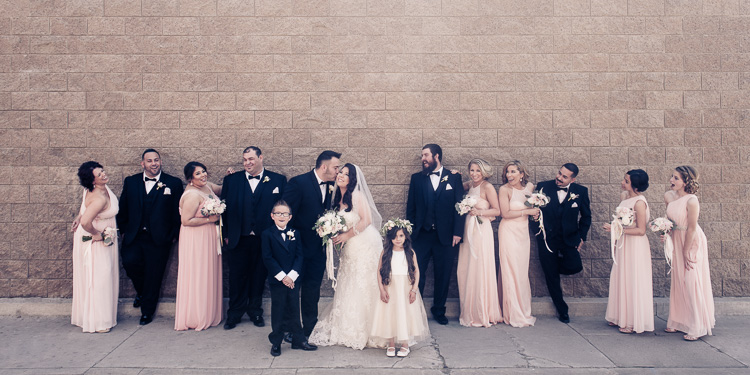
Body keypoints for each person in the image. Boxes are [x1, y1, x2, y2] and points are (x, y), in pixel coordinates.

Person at [309, 163, 383, 350]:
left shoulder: (357, 195)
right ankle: (348, 324)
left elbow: (366, 220)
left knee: (363, 282)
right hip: (350, 246)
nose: (341, 175)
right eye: (340, 172)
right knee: (350, 281)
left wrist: (346, 235)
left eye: (346, 174)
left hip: (364, 243)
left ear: (352, 180)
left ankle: (369, 328)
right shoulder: (337, 196)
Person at [221, 146, 286, 330]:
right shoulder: (231, 180)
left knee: (259, 277)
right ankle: (234, 314)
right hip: (237, 238)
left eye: (251, 159)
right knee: (236, 277)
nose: (247, 163)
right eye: (244, 160)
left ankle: (255, 312)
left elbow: (282, 209)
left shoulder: (278, 180)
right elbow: (224, 210)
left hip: (264, 239)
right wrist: (226, 235)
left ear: (261, 158)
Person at [116, 149, 184, 325]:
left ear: (160, 161)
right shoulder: (131, 182)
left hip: (160, 239)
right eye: (149, 161)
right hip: (134, 236)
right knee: (129, 263)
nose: (154, 163)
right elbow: (123, 208)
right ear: (143, 164)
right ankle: (142, 293)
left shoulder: (173, 183)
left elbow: (178, 212)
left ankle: (147, 311)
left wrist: (173, 235)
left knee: (154, 275)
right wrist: (123, 229)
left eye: (156, 160)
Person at [283, 150, 341, 337]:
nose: (337, 171)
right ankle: (291, 329)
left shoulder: (334, 185)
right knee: (293, 290)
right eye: (335, 167)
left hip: (318, 249)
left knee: (312, 289)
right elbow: (286, 215)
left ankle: (309, 328)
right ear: (324, 167)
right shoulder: (298, 183)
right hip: (297, 249)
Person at [406, 144, 464, 325]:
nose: (423, 159)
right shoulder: (416, 179)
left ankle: (439, 310)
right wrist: (410, 232)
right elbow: (411, 208)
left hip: (446, 236)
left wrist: (457, 232)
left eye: (425, 155)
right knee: (417, 274)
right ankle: (416, 312)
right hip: (421, 236)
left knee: (443, 274)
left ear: (436, 156)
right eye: (422, 155)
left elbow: (459, 207)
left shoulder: (454, 178)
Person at [530, 163, 591, 324]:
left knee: (575, 266)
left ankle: (556, 266)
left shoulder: (581, 191)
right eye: (559, 173)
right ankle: (562, 310)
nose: (559, 177)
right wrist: (536, 229)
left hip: (569, 239)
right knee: (551, 276)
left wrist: (581, 237)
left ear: (573, 179)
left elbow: (586, 217)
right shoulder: (543, 187)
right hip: (546, 239)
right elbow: (533, 208)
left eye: (565, 176)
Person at [664, 166, 715, 341]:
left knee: (691, 280)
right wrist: (666, 234)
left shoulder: (692, 200)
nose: (672, 180)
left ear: (686, 181)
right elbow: (670, 223)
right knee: (678, 279)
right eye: (672, 177)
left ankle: (698, 325)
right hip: (676, 240)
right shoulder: (669, 197)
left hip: (691, 240)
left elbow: (692, 227)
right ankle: (678, 321)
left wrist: (686, 250)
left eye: (676, 178)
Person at [262, 201, 317, 356]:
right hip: (278, 279)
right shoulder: (267, 234)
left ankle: (298, 340)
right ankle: (276, 341)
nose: (281, 216)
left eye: (285, 213)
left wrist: (292, 276)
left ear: (290, 217)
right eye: (278, 213)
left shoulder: (295, 233)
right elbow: (267, 258)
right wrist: (282, 277)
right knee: (278, 309)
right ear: (272, 216)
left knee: (294, 308)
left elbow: (300, 255)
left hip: (293, 279)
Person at [603, 169, 654, 334]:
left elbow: (641, 230)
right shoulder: (624, 198)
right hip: (624, 244)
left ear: (634, 185)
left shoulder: (640, 203)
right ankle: (620, 316)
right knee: (621, 277)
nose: (622, 183)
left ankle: (632, 321)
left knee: (633, 278)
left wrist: (616, 229)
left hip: (636, 245)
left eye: (626, 181)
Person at [71, 161, 119, 333]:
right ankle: (99, 321)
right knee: (100, 278)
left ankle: (94, 315)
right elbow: (86, 222)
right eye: (99, 175)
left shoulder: (95, 190)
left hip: (101, 235)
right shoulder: (98, 198)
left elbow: (84, 208)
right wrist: (97, 235)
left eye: (103, 171)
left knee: (99, 276)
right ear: (92, 181)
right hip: (95, 240)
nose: (104, 175)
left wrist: (79, 215)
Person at [174, 162, 223, 331]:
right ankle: (195, 316)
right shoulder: (192, 195)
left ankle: (208, 313)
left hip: (208, 236)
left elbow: (221, 189)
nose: (203, 175)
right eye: (198, 174)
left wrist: (231, 176)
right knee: (198, 273)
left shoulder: (207, 186)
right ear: (190, 179)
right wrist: (210, 219)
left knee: (208, 272)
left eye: (203, 171)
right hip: (196, 237)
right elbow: (186, 221)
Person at [370, 220, 430, 357]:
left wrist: (414, 289)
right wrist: (382, 289)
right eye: (395, 236)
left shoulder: (410, 252)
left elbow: (417, 271)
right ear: (390, 238)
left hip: (405, 288)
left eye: (401, 236)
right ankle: (391, 344)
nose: (398, 239)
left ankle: (405, 344)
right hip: (390, 287)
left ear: (406, 237)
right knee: (389, 314)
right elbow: (379, 271)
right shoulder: (385, 252)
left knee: (405, 314)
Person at [456, 158, 502, 327]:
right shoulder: (470, 185)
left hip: (482, 231)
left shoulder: (487, 187)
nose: (474, 174)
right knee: (466, 268)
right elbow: (457, 186)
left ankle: (482, 311)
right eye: (472, 170)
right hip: (468, 231)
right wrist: (454, 175)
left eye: (478, 171)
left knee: (480, 267)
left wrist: (479, 211)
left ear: (484, 172)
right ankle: (469, 309)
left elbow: (497, 211)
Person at [497, 160, 538, 327]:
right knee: (510, 270)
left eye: (513, 172)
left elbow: (534, 204)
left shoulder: (529, 189)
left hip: (523, 234)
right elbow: (505, 213)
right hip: (508, 232)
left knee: (521, 271)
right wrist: (528, 211)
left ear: (522, 174)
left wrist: (536, 213)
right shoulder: (504, 190)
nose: (509, 175)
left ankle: (523, 308)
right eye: (507, 172)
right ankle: (511, 312)